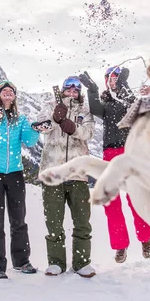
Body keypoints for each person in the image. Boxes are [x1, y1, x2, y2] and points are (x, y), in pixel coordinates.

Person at [78, 66, 150, 264]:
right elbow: (95, 110)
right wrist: (93, 89)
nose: (112, 81)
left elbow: (131, 106)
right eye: (109, 78)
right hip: (109, 154)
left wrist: (122, 83)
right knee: (111, 202)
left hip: (130, 152)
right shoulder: (106, 102)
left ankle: (145, 239)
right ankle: (120, 245)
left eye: (115, 78)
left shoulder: (129, 98)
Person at [34, 76, 96, 278]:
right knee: (54, 221)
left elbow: (89, 133)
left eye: (76, 88)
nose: (72, 91)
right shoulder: (50, 105)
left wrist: (73, 127)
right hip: (53, 172)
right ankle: (56, 262)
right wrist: (54, 118)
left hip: (78, 173)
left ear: (79, 92)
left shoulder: (85, 111)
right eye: (68, 88)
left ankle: (81, 262)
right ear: (62, 90)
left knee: (82, 221)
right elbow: (39, 126)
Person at [0, 80, 40, 279]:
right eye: (4, 90)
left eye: (11, 91)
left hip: (15, 172)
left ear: (14, 96)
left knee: (18, 218)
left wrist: (35, 129)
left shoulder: (20, 118)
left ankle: (22, 261)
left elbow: (29, 141)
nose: (8, 93)